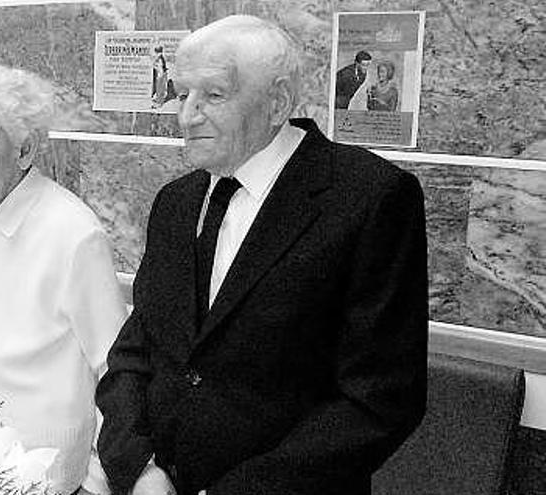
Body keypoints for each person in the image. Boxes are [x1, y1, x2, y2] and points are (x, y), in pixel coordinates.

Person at [96, 15, 428, 495]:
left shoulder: (369, 199)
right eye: (182, 94)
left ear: (276, 103)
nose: (187, 115)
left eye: (212, 95)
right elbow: (136, 351)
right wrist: (139, 468)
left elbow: (379, 399)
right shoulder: (176, 201)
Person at [0, 66, 127, 495]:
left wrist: (96, 480)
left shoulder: (74, 233)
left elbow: (115, 368)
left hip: (45, 477)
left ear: (25, 150)